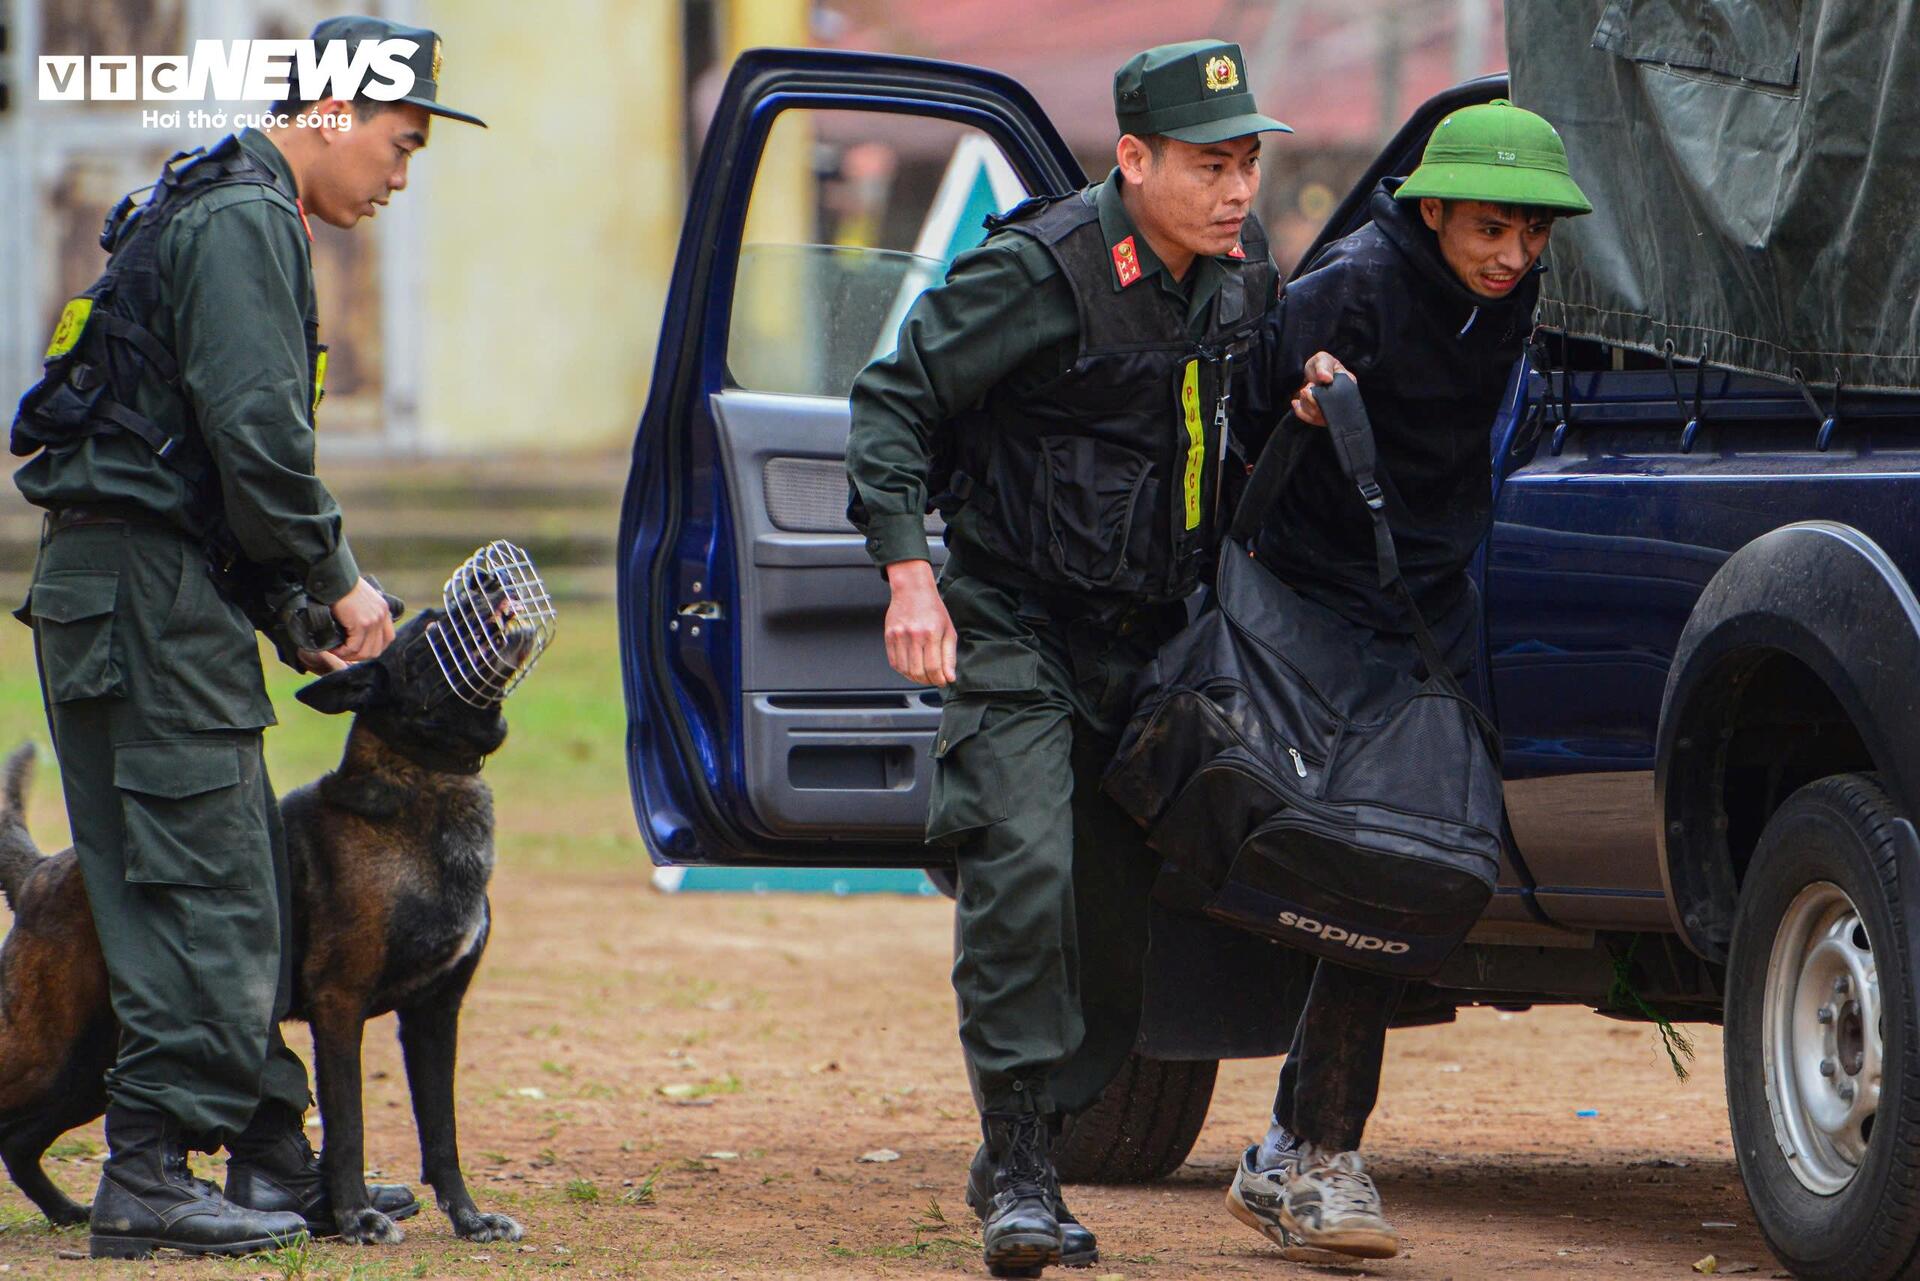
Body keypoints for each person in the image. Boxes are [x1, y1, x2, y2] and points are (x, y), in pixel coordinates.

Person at [9, 16, 483, 1260]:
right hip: (144, 600)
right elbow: (258, 448)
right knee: (212, 890)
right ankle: (153, 1174)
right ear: (332, 112)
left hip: (143, 589)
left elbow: (200, 463)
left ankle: (269, 1156)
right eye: (400, 139)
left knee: (196, 876)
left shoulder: (229, 206)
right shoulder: (244, 220)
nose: (401, 173)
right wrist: (336, 580)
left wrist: (286, 611)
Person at [846, 39, 1289, 1277]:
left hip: (1150, 645)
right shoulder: (1039, 276)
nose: (1236, 189)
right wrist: (908, 575)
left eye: (1249, 163)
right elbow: (892, 403)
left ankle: (1028, 1138)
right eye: (1210, 164)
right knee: (1022, 873)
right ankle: (1024, 1166)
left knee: (1111, 923)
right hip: (1018, 623)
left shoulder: (1240, 285)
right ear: (1134, 160)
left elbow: (1230, 438)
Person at [1222, 99, 1592, 1261]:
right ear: (1431, 208)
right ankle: (1314, 1158)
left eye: (1533, 238)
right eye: (1490, 229)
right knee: (1365, 866)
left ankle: (1296, 1153)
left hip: (1428, 615)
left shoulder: (1512, 301)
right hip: (1309, 614)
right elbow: (1234, 423)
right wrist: (1298, 393)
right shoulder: (1353, 286)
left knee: (1399, 865)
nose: (1512, 256)